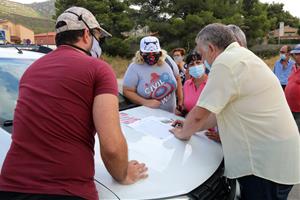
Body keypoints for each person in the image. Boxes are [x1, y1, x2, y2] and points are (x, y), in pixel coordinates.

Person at [0, 7, 147, 200]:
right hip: (65, 191)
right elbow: (111, 146)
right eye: (98, 37)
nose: (99, 43)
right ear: (87, 34)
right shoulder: (98, 68)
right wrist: (124, 174)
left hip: (10, 187)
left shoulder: (31, 70)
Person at [170, 23, 300, 200]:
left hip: (264, 166)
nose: (202, 59)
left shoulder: (225, 63)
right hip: (275, 157)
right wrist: (190, 125)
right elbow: (216, 113)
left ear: (211, 48)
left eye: (201, 54)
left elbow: (201, 113)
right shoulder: (241, 56)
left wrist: (183, 133)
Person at [123, 36, 178, 113]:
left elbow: (177, 78)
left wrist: (181, 102)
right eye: (147, 53)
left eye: (155, 53)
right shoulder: (134, 67)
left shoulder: (167, 60)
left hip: (171, 115)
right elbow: (127, 91)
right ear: (141, 53)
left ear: (160, 52)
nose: (151, 56)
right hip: (148, 116)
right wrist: (145, 102)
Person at [285, 44, 300, 132]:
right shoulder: (293, 67)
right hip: (290, 109)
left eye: (299, 54)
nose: (297, 56)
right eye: (296, 54)